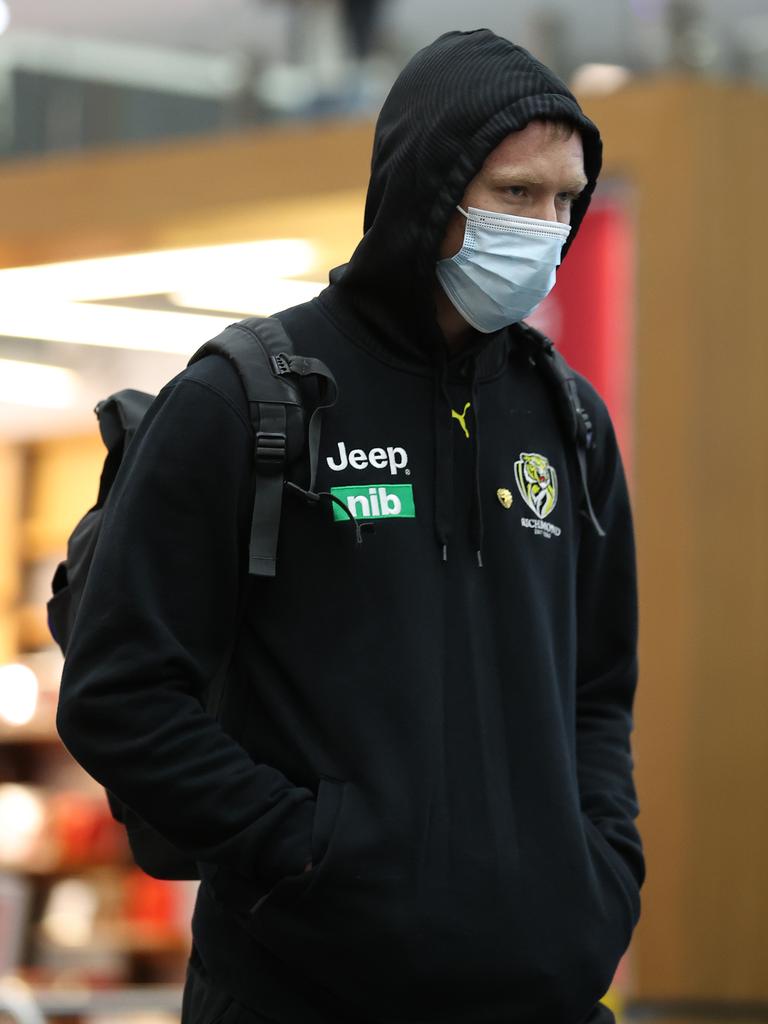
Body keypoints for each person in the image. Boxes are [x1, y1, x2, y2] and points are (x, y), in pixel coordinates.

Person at [56, 28, 645, 1024]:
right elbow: (119, 693)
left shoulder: (567, 417)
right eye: (515, 194)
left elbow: (596, 690)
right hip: (299, 992)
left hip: (541, 990)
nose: (548, 228)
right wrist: (307, 849)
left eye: (565, 199)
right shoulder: (250, 396)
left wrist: (598, 866)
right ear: (431, 188)